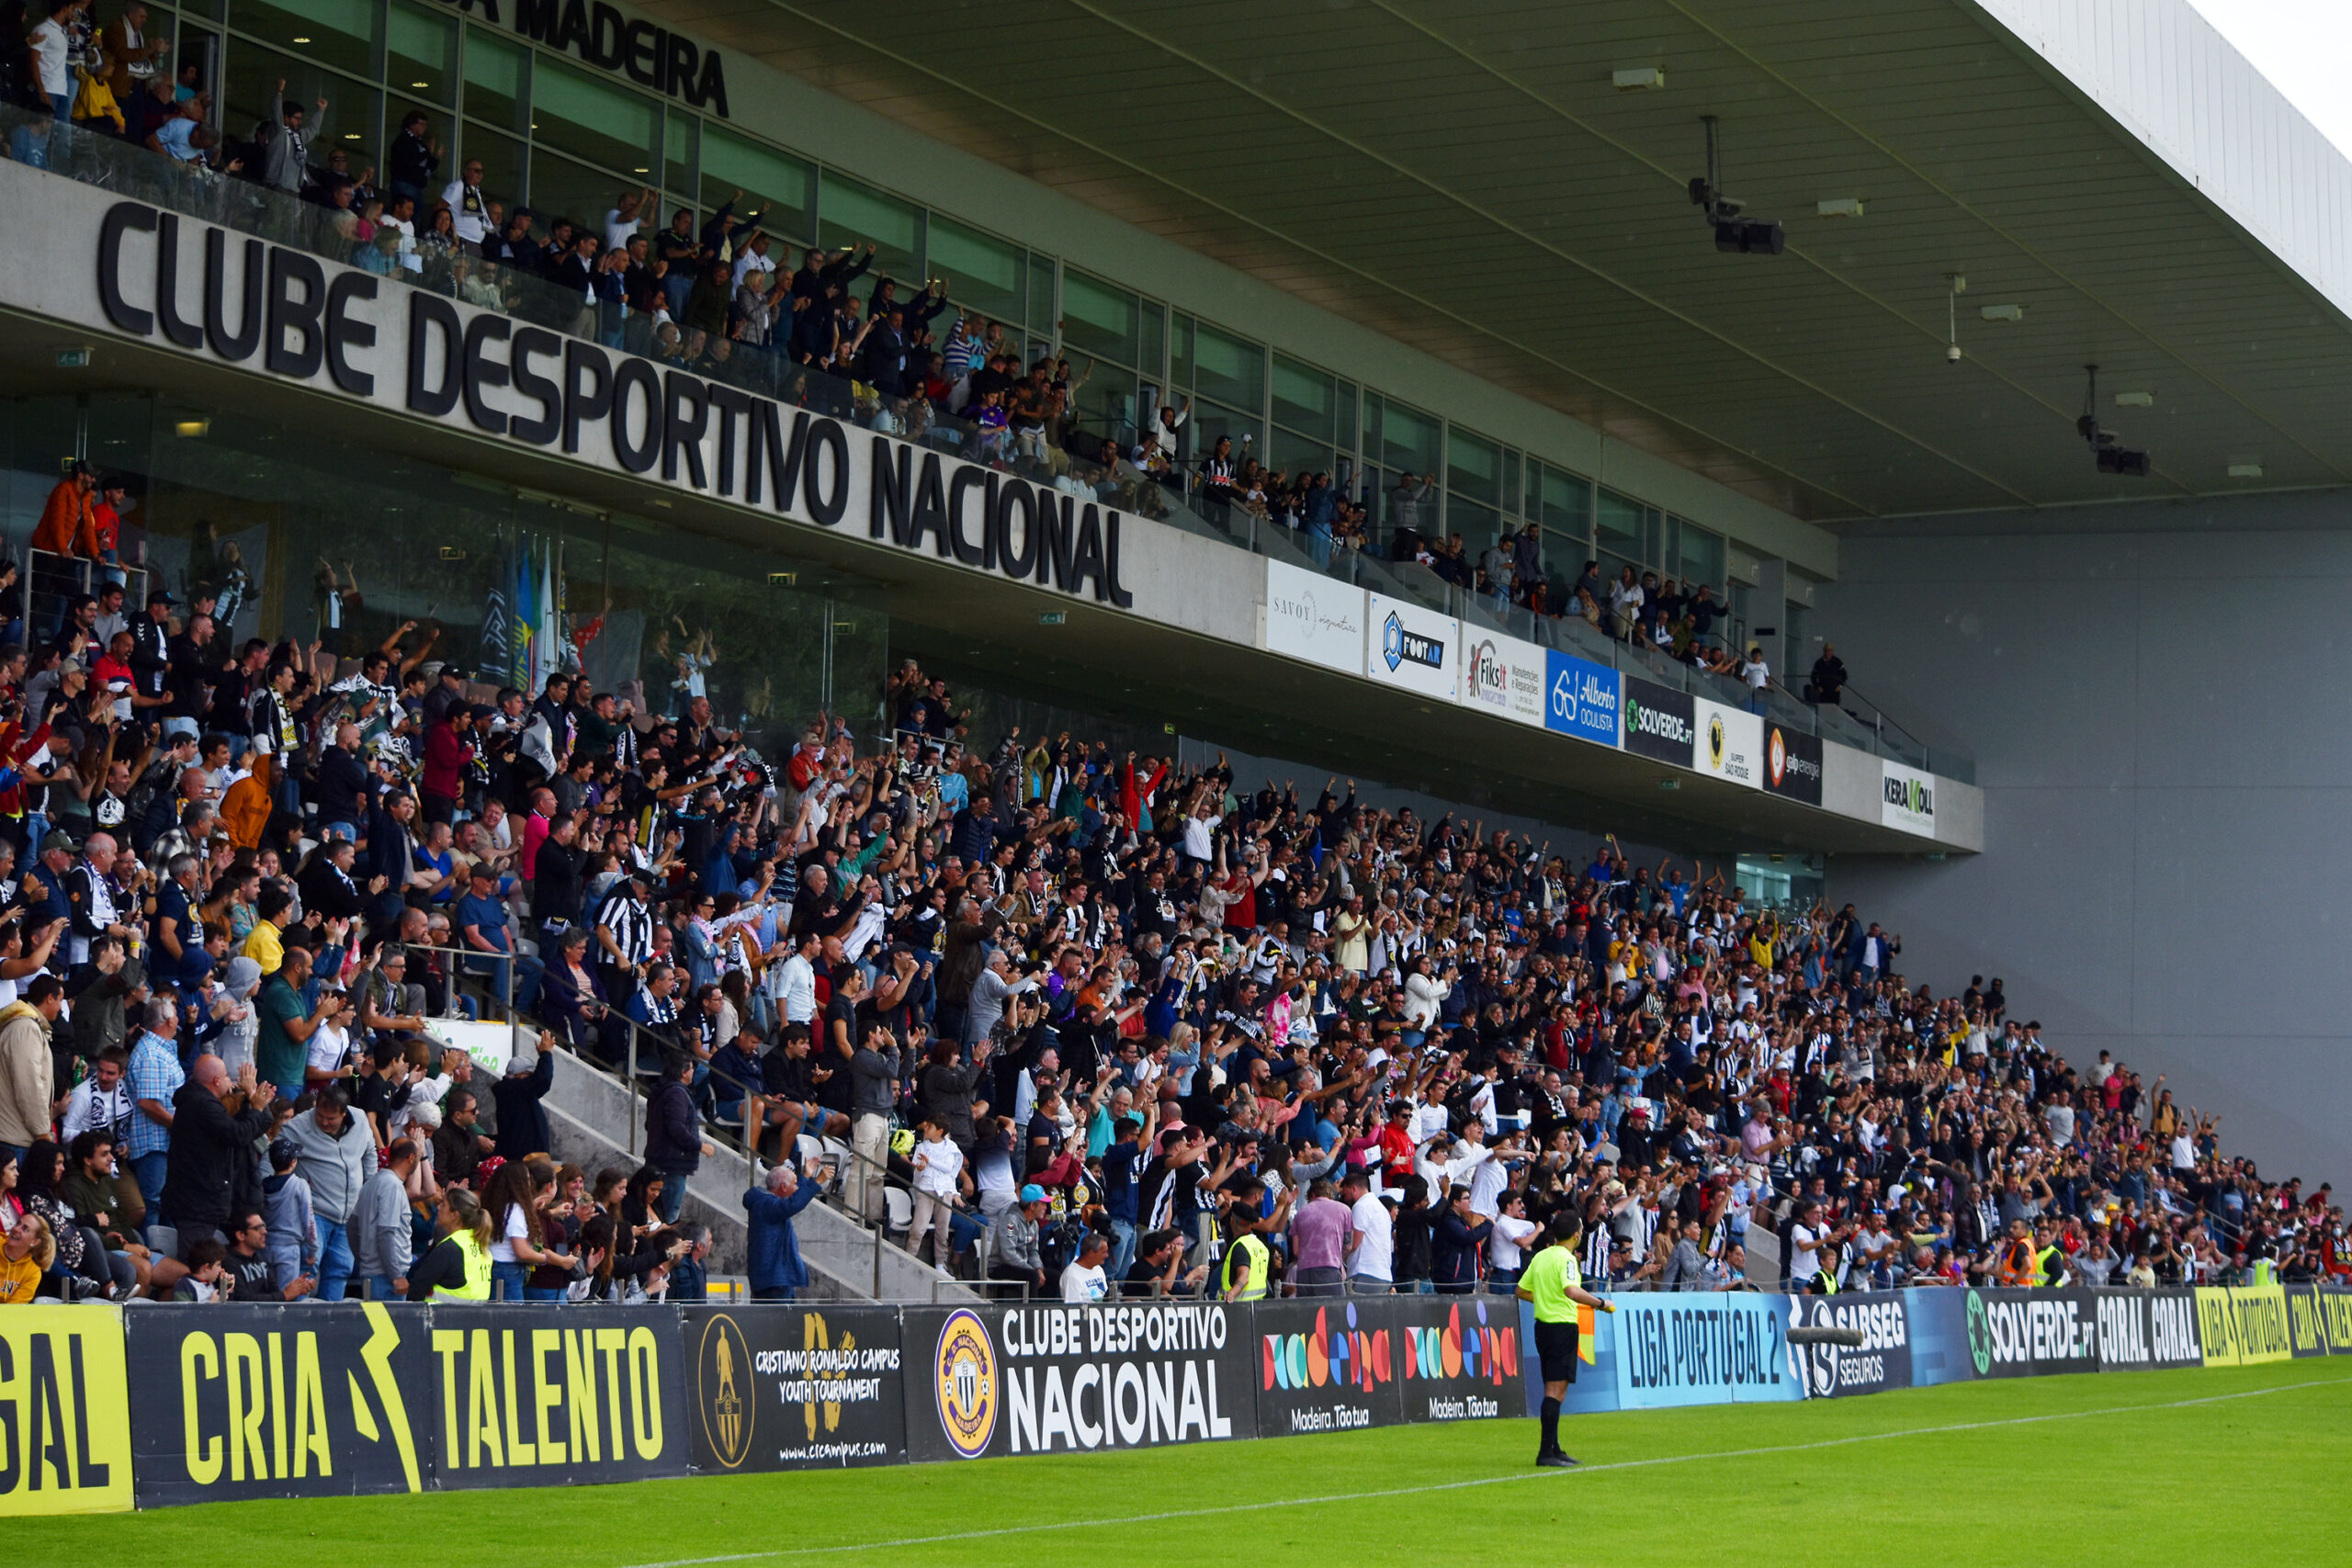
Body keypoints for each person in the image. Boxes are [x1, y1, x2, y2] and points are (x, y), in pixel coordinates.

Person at [1517, 1211, 1617, 1467]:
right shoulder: (1567, 1259)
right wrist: (1600, 1303)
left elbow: (1521, 1290)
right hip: (1562, 1327)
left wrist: (1545, 1300)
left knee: (1555, 1389)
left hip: (1543, 1328)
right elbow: (1572, 1290)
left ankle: (1554, 1447)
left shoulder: (1542, 1256)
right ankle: (1545, 1453)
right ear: (1576, 1234)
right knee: (1555, 1390)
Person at [350, 1136, 417, 1300]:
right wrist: (396, 1276)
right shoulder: (392, 1186)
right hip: (388, 1279)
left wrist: (364, 1259)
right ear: (411, 1158)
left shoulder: (371, 1184)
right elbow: (385, 1233)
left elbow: (352, 1226)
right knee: (390, 1325)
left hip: (371, 1274)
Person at [743, 1157, 818, 1301]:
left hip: (776, 1280)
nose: (797, 1188)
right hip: (773, 1282)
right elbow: (793, 1204)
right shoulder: (767, 1205)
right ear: (783, 1187)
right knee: (777, 1323)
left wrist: (805, 1177)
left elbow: (792, 1199)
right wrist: (816, 1182)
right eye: (795, 1184)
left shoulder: (766, 1202)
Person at [1059, 1230, 1111, 1303]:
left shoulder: (1098, 1269)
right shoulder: (1072, 1275)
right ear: (1091, 1253)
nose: (1107, 1255)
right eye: (1103, 1252)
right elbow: (1073, 1309)